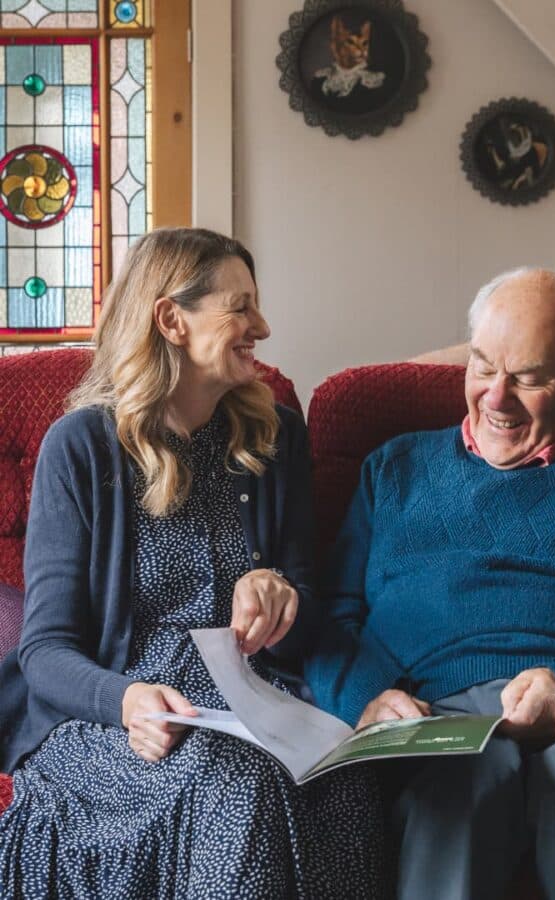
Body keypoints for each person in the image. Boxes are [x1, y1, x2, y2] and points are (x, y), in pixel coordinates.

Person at [306, 269, 555, 900]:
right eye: (482, 367)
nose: (496, 396)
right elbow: (332, 616)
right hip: (434, 713)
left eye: (528, 378)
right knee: (463, 779)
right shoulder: (393, 468)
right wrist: (366, 696)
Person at [0, 228, 385, 898]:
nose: (260, 326)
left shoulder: (274, 436)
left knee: (347, 781)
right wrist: (125, 700)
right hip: (117, 714)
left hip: (256, 702)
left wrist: (282, 598)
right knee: (234, 782)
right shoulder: (83, 446)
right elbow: (45, 650)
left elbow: (310, 613)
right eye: (240, 307)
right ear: (171, 319)